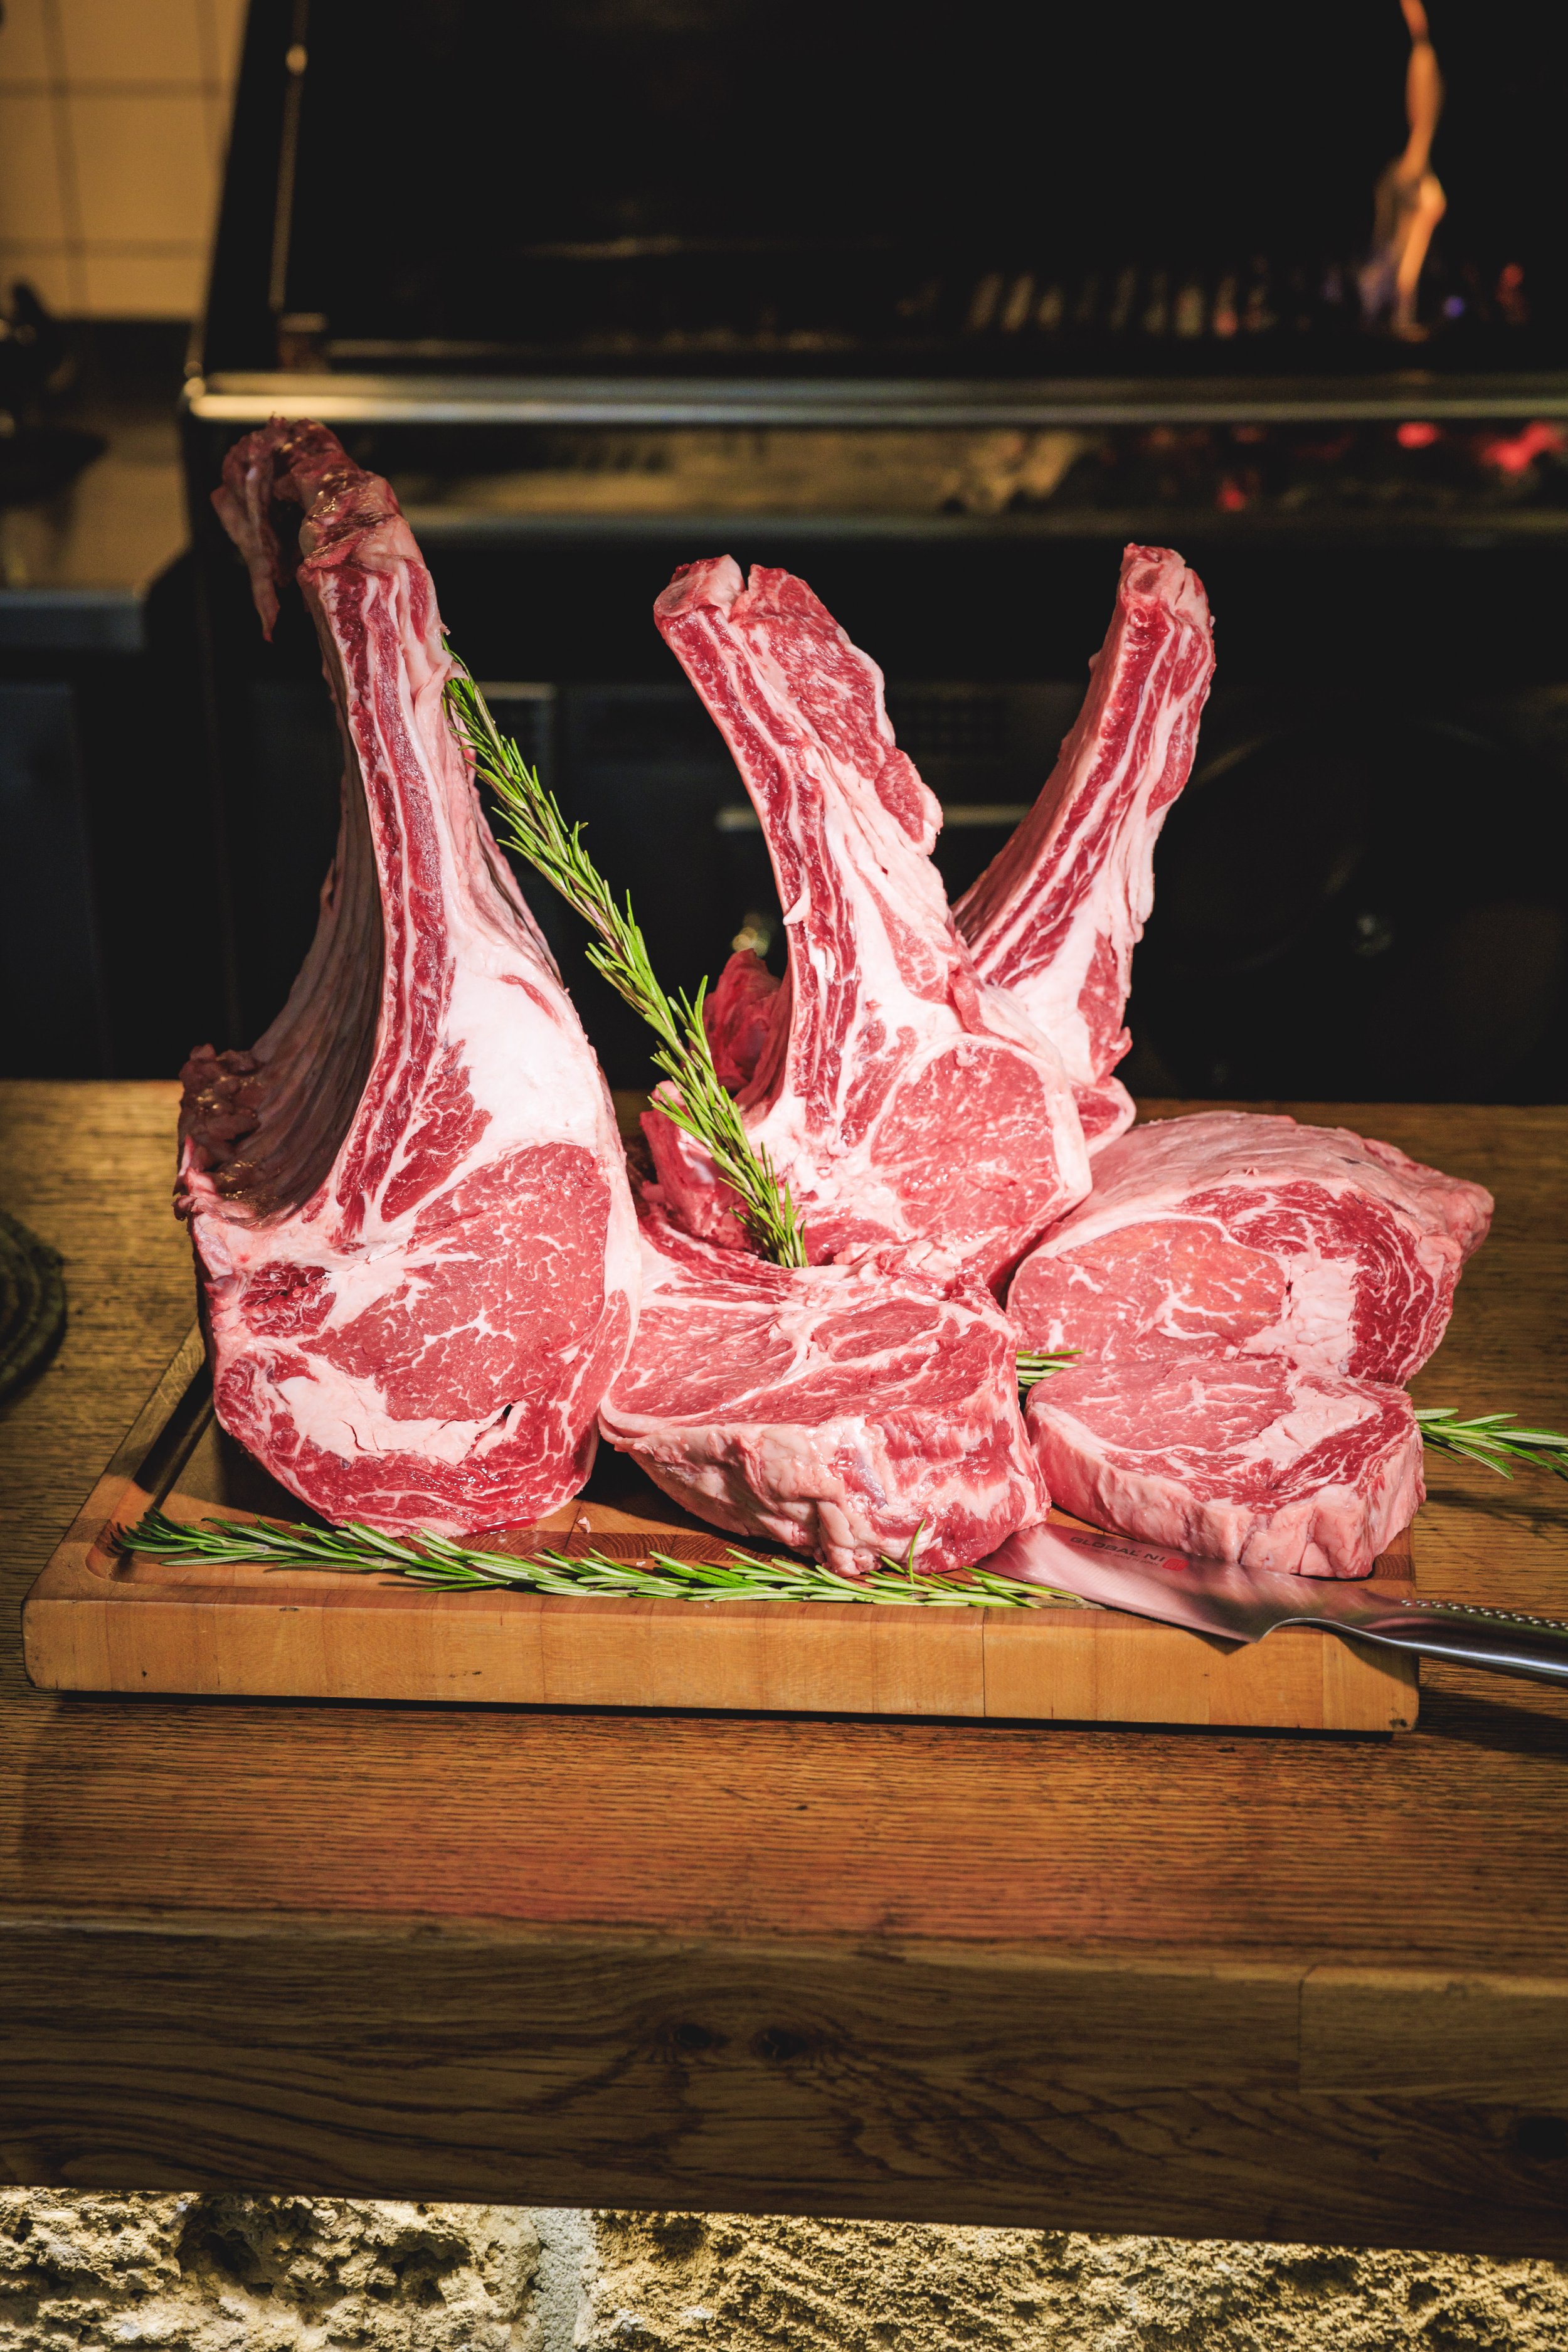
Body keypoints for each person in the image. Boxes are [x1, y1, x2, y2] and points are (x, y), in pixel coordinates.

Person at [1357, 0, 1446, 339]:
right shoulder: (1422, 58)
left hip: (1415, 163)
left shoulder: (1425, 59)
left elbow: (1425, 115)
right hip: (1414, 163)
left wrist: (1416, 158)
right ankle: (1394, 308)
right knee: (1396, 242)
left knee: (1398, 242)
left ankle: (1395, 307)